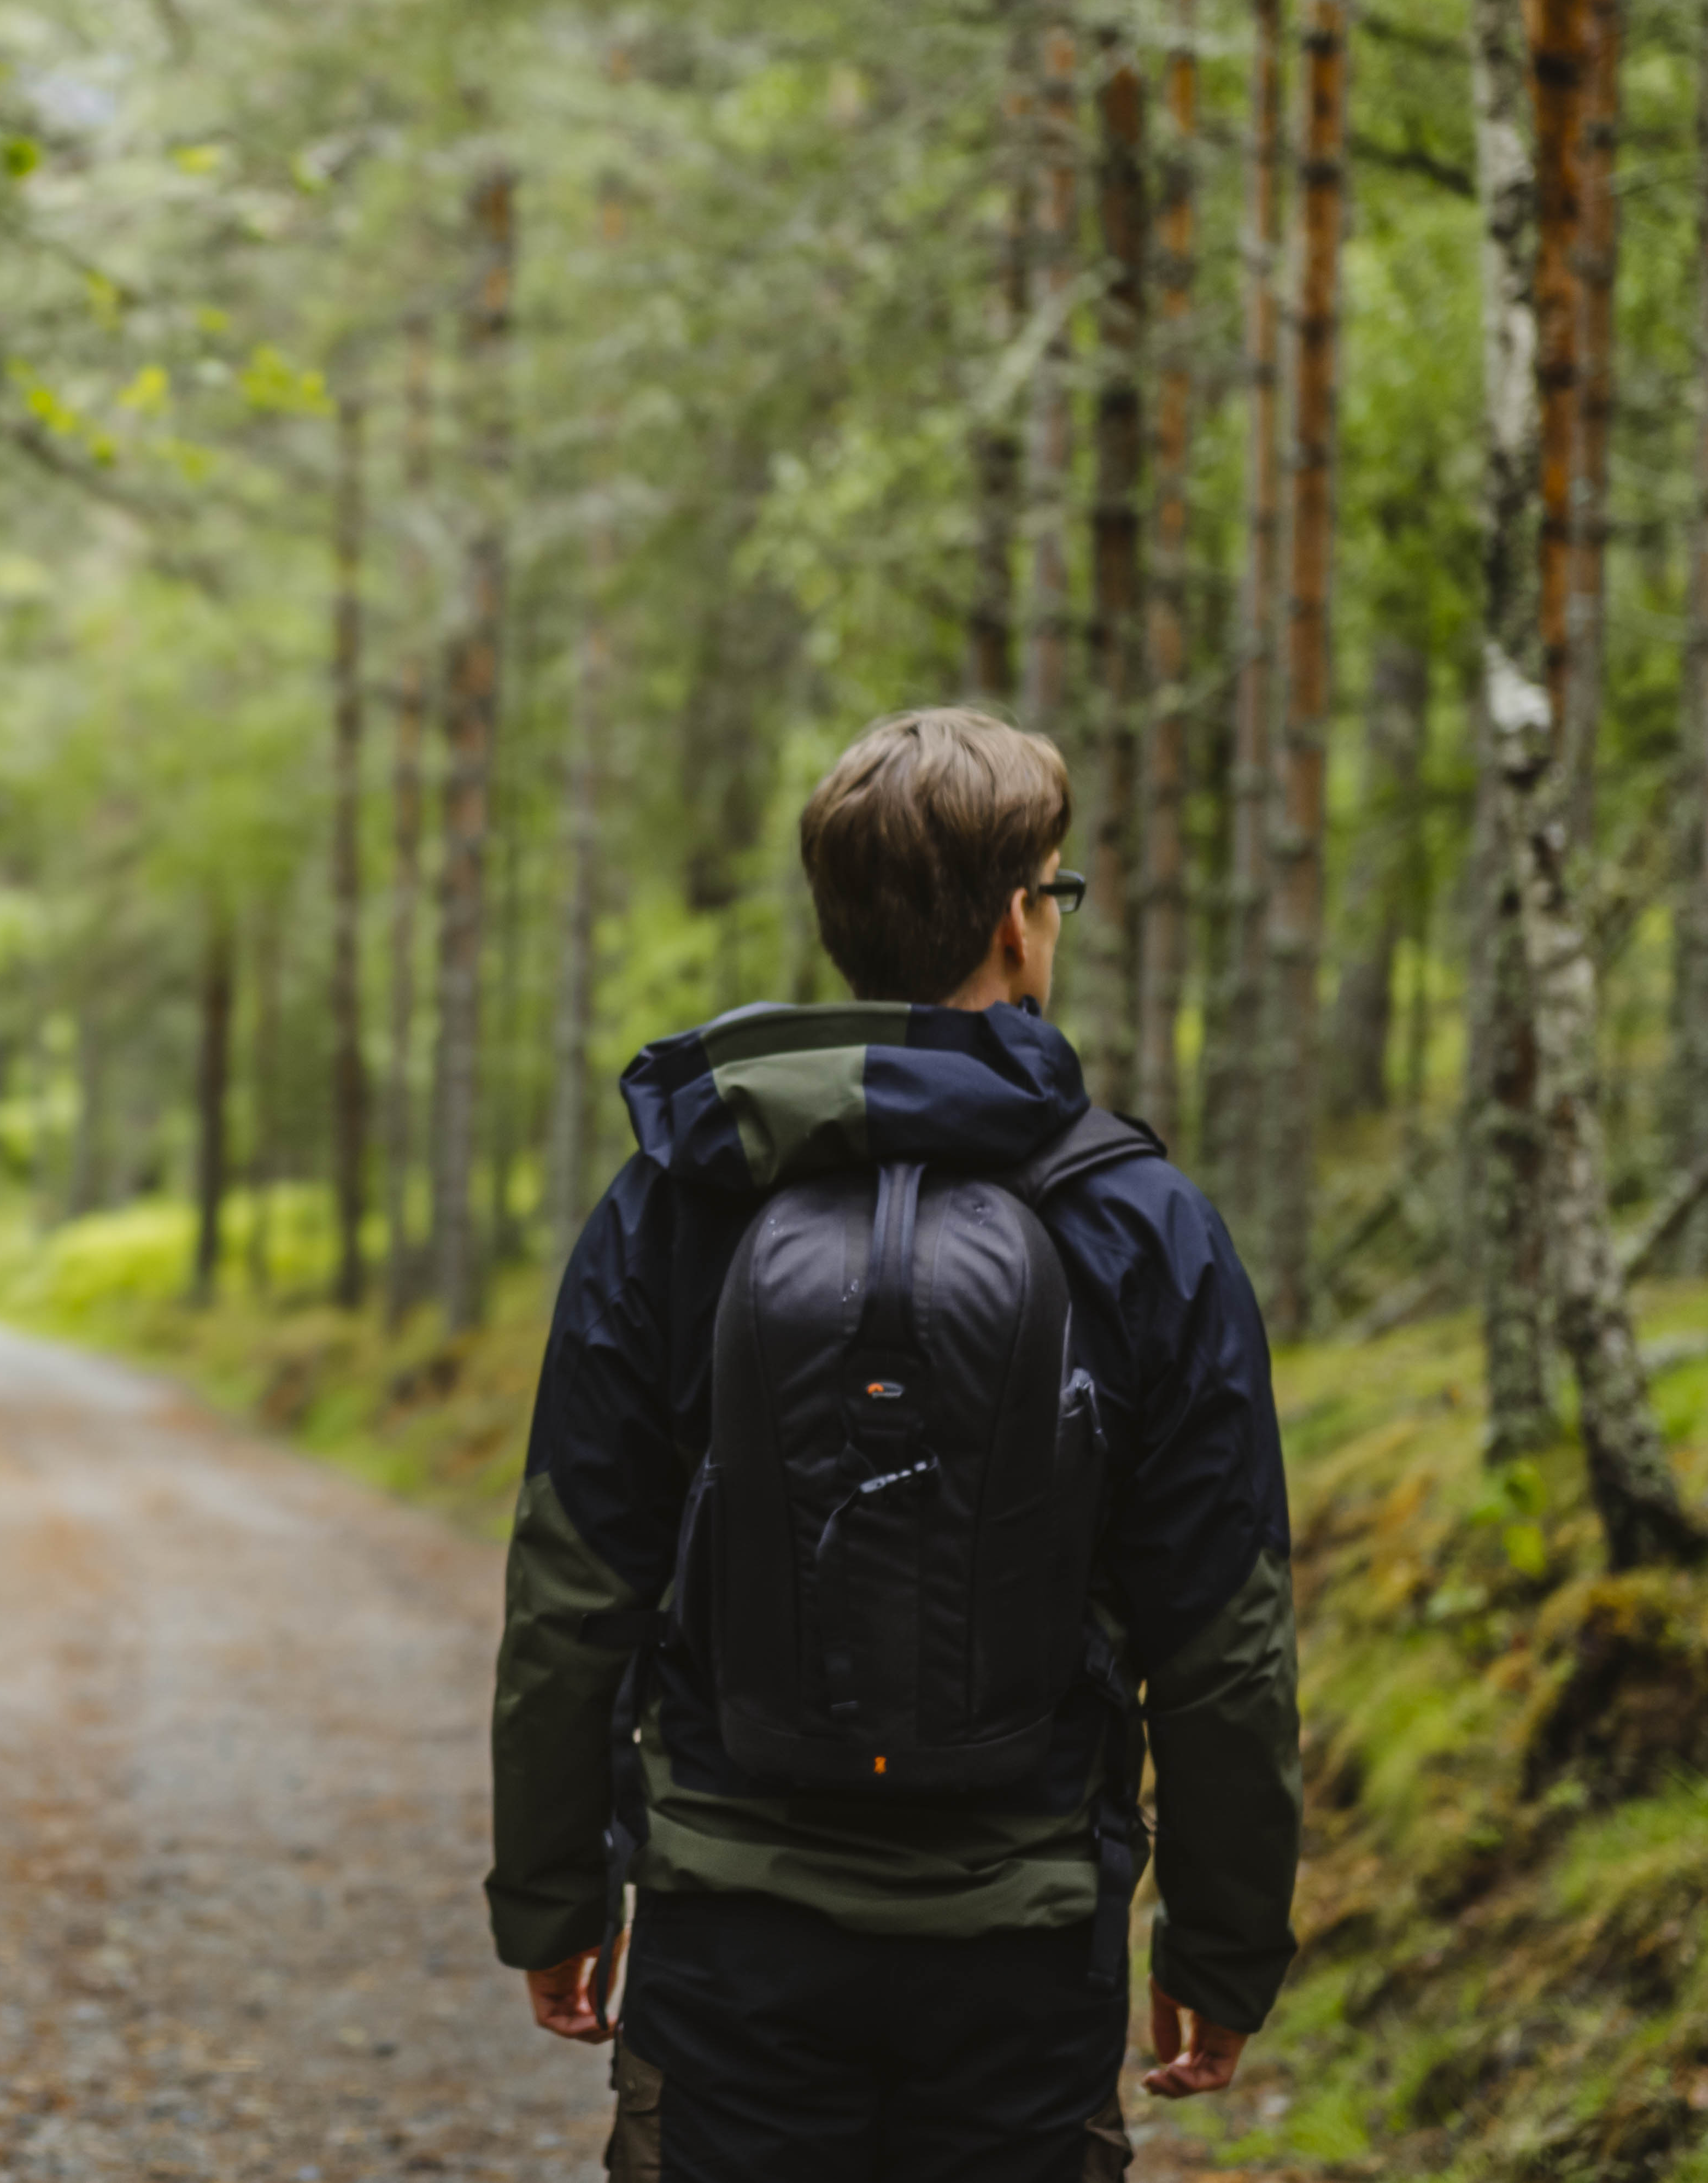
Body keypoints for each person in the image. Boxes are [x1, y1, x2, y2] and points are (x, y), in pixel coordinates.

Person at [485, 708, 1301, 2183]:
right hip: (1026, 1948)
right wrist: (1222, 1940)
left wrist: (555, 1892)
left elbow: (570, 1585)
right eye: (1055, 888)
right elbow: (1223, 1635)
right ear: (1017, 920)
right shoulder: (1140, 1223)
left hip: (731, 1936)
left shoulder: (679, 1200)